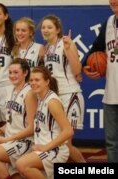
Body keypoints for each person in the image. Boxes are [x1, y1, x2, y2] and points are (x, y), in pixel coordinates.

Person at [40, 14, 86, 163]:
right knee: (61, 145)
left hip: (70, 95)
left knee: (65, 143)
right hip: (55, 98)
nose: (45, 30)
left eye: (49, 27)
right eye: (43, 27)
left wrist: (69, 50)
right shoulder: (46, 49)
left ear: (58, 29)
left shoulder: (66, 43)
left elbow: (78, 70)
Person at [0, 58, 36, 179]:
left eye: (16, 72)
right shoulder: (11, 90)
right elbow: (12, 121)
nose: (12, 75)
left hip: (24, 142)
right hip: (11, 139)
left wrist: (8, 139)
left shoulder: (29, 93)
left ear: (25, 73)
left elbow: (32, 128)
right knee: (16, 175)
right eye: (10, 72)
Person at [16, 66, 74, 179]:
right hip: (45, 148)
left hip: (55, 150)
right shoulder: (41, 99)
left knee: (22, 164)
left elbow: (68, 131)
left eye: (37, 80)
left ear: (47, 81)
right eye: (31, 80)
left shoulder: (52, 102)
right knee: (23, 170)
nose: (33, 83)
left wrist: (46, 147)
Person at [82, 0, 118, 163]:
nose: (113, 1)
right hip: (111, 93)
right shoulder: (109, 23)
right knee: (111, 143)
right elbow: (96, 48)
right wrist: (85, 65)